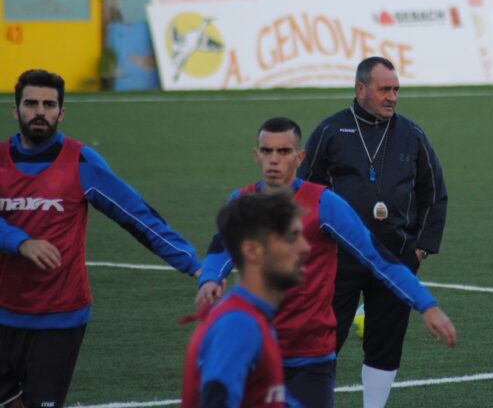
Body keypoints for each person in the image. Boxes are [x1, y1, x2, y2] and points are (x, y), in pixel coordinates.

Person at [196, 117, 455, 408]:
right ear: (255, 155)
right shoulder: (241, 203)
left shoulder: (323, 204)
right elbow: (220, 250)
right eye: (266, 151)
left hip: (310, 358)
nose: (274, 160)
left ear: (300, 157)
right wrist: (208, 279)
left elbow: (378, 258)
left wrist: (426, 304)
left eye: (283, 152)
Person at [0, 69, 202, 408]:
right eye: (31, 103)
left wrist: (194, 266)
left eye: (49, 105)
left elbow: (138, 217)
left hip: (60, 316)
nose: (40, 112)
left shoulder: (81, 162)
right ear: (15, 109)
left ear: (61, 113)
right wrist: (20, 242)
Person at [297, 56, 449, 408]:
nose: (392, 97)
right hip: (338, 258)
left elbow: (434, 193)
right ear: (361, 89)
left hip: (394, 258)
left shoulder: (411, 135)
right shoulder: (331, 131)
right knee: (323, 341)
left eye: (396, 89)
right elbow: (303, 191)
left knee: (386, 342)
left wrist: (419, 250)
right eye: (384, 89)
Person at [182, 192, 311, 407]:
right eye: (291, 238)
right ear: (252, 251)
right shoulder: (239, 325)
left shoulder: (251, 317)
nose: (305, 248)